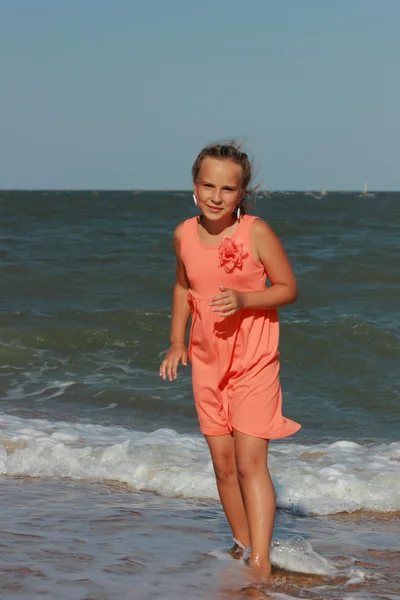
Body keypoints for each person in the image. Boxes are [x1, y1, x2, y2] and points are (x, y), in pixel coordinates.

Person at [159, 142, 301, 580]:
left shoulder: (255, 232)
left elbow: (287, 288)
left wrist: (244, 299)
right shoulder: (183, 233)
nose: (216, 196)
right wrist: (175, 342)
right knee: (222, 464)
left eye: (228, 188)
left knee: (249, 463)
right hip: (207, 359)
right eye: (208, 185)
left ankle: (260, 561)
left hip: (254, 358)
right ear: (194, 184)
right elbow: (184, 288)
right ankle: (243, 546)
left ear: (242, 193)